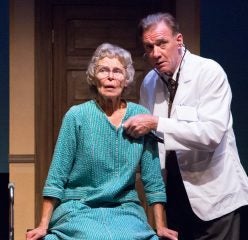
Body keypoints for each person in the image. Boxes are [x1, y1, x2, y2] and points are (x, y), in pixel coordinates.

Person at [26, 43, 178, 240]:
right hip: (78, 207)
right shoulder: (76, 116)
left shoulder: (140, 117)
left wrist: (161, 226)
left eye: (117, 71)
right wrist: (42, 225)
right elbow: (57, 175)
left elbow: (153, 180)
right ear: (93, 77)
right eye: (103, 70)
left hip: (125, 210)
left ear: (126, 79)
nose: (110, 77)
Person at [122, 12, 248, 240]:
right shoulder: (149, 82)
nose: (156, 53)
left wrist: (156, 122)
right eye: (149, 47)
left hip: (215, 195)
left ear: (178, 40)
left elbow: (211, 134)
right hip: (175, 194)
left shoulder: (208, 72)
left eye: (162, 44)